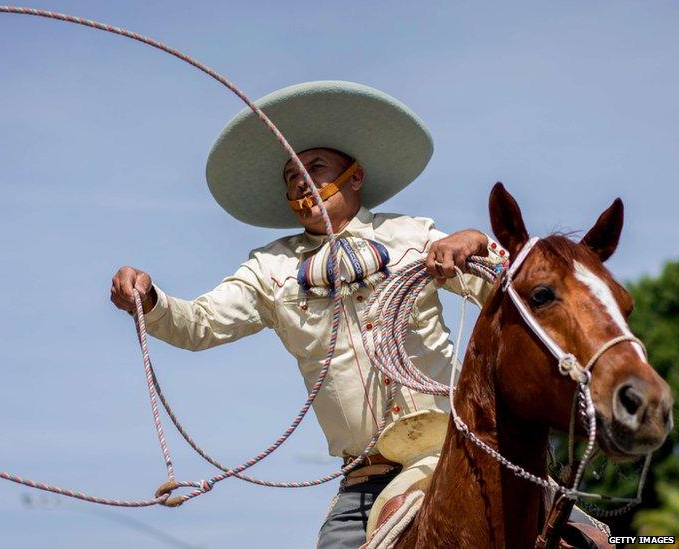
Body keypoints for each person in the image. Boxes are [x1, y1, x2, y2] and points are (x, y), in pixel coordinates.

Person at [109, 81, 507, 547]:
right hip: (367, 477)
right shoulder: (271, 269)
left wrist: (477, 243)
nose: (300, 181)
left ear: (354, 177)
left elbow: (511, 293)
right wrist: (150, 297)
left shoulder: (414, 237)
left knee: (579, 534)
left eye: (313, 167)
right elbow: (200, 324)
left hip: (461, 451)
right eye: (290, 176)